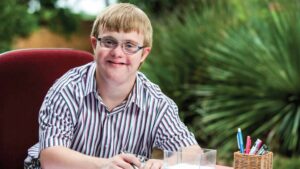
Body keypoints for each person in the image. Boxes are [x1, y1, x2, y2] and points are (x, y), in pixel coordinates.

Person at [24, 3, 201, 169]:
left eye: (130, 45)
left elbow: (194, 154)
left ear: (144, 54)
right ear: (95, 45)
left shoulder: (156, 102)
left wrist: (165, 164)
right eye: (109, 42)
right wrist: (103, 165)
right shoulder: (67, 89)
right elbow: (50, 157)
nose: (117, 53)